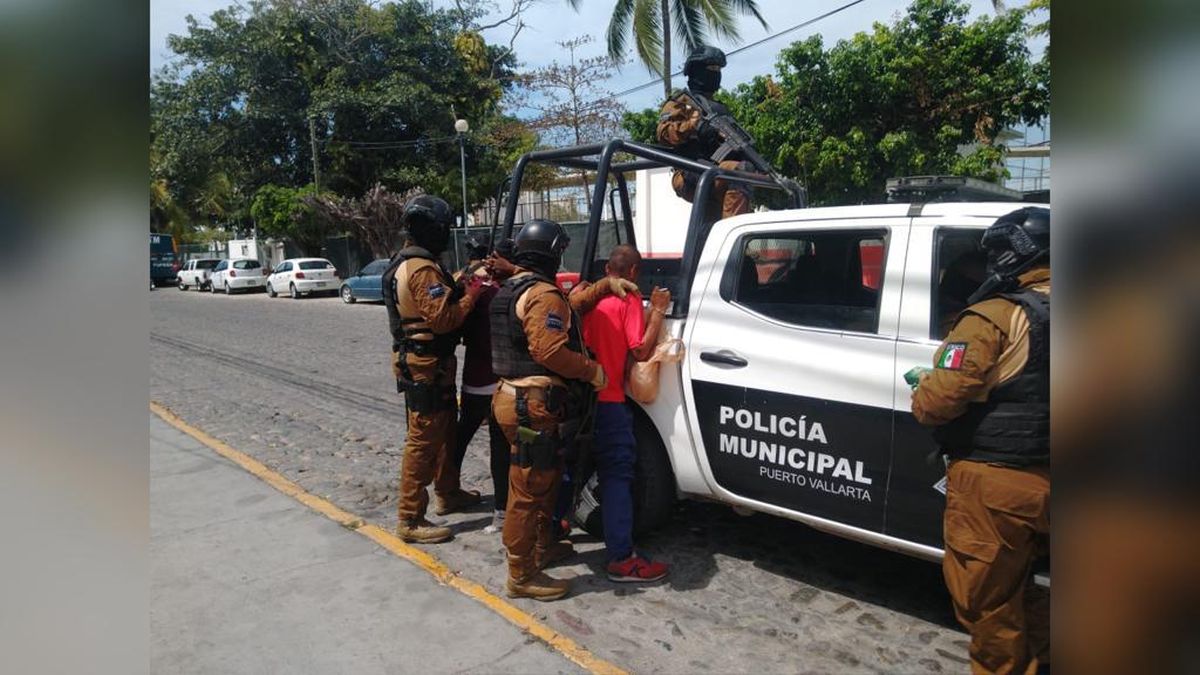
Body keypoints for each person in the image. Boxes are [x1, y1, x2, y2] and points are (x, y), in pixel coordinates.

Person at [911, 207, 1051, 674]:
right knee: (1030, 589)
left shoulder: (994, 317)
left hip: (999, 483)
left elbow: (937, 402)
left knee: (989, 604)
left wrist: (924, 385)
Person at [489, 219, 635, 601]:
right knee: (528, 490)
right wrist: (592, 370)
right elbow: (550, 350)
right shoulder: (541, 294)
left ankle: (544, 547)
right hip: (531, 404)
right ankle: (521, 574)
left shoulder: (517, 288)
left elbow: (569, 309)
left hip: (518, 399)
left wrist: (604, 286)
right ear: (550, 254)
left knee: (544, 480)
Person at [382, 195, 485, 544]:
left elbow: (440, 297)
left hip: (432, 363)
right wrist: (472, 296)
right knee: (423, 440)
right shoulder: (421, 268)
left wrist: (465, 277)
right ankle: (410, 518)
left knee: (445, 431)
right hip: (425, 365)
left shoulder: (412, 263)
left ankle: (448, 491)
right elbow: (443, 319)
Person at [581, 245, 673, 582]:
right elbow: (641, 348)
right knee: (617, 474)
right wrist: (658, 310)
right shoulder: (629, 298)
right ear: (633, 273)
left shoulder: (588, 296)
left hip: (580, 398)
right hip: (609, 399)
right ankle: (622, 558)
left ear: (608, 269)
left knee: (572, 466)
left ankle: (550, 533)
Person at [450, 236, 511, 534]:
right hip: (496, 379)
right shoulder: (498, 290)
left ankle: (446, 490)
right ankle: (501, 510)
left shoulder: (462, 280)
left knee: (461, 435)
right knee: (500, 446)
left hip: (474, 376)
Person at [656, 45, 752, 220]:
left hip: (715, 171)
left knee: (746, 173)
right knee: (738, 172)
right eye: (711, 68)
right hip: (689, 172)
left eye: (718, 69)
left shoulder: (720, 109)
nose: (715, 73)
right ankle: (733, 228)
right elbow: (663, 134)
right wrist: (694, 126)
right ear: (696, 71)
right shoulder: (681, 102)